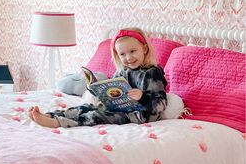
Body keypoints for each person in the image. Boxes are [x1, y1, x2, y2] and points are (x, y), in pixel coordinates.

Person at [29, 27, 167, 128]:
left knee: (98, 116)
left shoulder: (152, 73)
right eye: (122, 54)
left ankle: (58, 123)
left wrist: (142, 97)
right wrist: (97, 90)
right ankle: (53, 115)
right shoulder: (122, 72)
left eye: (133, 51)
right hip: (119, 108)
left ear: (144, 49)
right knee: (87, 107)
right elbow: (112, 95)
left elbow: (160, 105)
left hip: (139, 115)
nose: (128, 57)